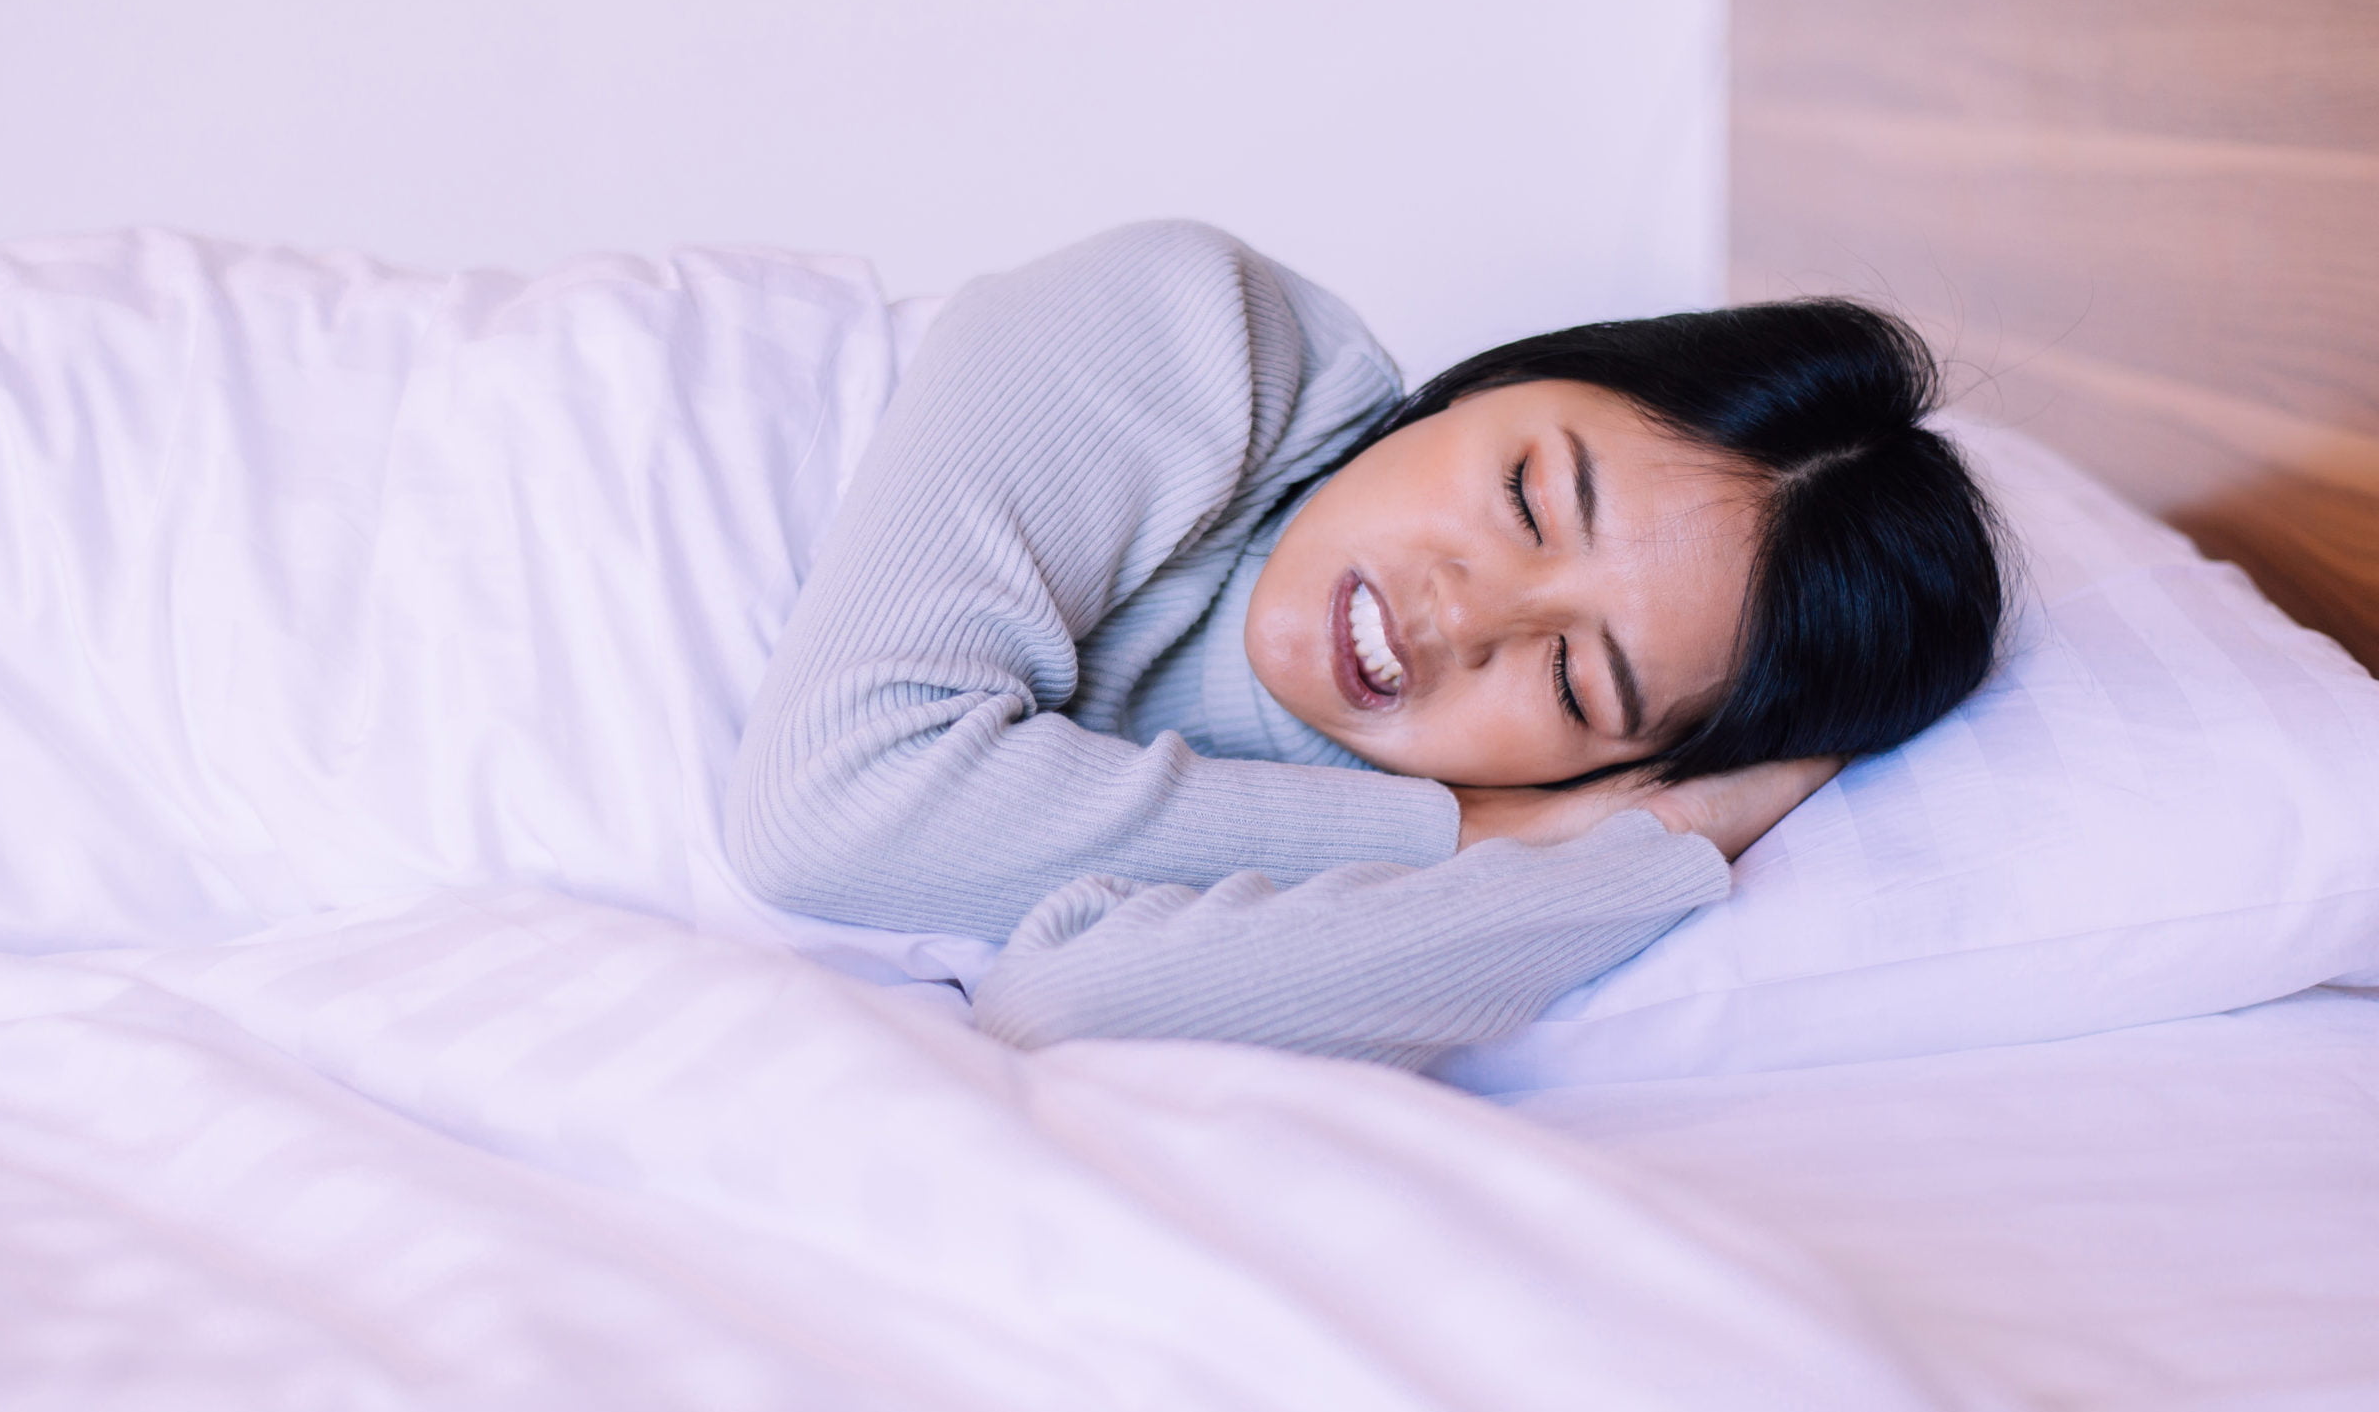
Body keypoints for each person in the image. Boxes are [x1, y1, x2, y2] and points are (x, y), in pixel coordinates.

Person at [726, 221, 2003, 1068]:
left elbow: (1064, 1013)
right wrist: (1474, 831)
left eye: (1573, 677)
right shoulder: (1195, 329)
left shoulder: (1369, 826)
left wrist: (1654, 847)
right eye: (1525, 498)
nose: (1460, 614)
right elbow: (826, 809)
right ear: (1493, 382)